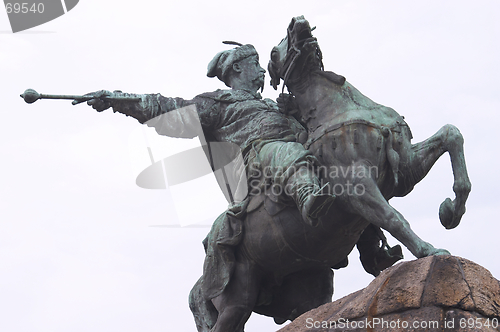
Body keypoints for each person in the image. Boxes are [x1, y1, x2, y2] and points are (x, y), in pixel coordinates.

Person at [82, 42, 335, 227]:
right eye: (255, 64)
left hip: (297, 150)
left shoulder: (271, 104)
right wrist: (117, 99)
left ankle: (367, 241)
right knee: (285, 151)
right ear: (237, 68)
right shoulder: (217, 102)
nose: (261, 71)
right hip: (258, 159)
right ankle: (308, 196)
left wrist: (295, 113)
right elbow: (168, 109)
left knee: (336, 154)